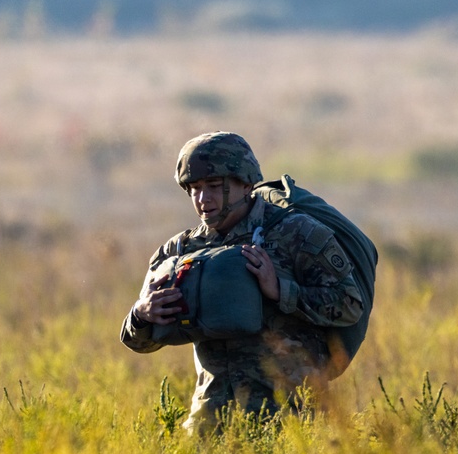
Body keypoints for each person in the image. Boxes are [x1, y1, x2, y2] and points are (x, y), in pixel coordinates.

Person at [120, 132, 365, 434]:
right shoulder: (179, 251)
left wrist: (281, 291)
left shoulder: (296, 234)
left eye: (213, 187)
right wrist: (141, 315)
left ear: (246, 184)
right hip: (211, 420)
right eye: (194, 188)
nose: (202, 199)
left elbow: (350, 304)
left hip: (291, 417)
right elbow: (139, 343)